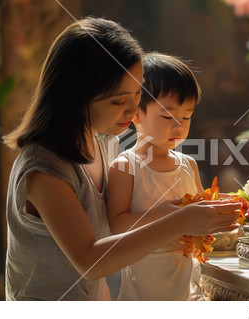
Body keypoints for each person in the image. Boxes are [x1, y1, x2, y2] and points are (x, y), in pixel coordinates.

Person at [2, 17, 240, 301]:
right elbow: (91, 261)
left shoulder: (104, 142)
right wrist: (180, 220)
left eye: (138, 93)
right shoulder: (45, 169)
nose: (133, 108)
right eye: (118, 101)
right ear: (75, 97)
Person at [107, 52, 210, 301]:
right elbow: (116, 226)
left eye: (186, 116)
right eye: (167, 116)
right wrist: (165, 214)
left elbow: (200, 216)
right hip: (144, 283)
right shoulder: (126, 166)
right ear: (136, 114)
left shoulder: (188, 165)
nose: (179, 126)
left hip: (186, 279)